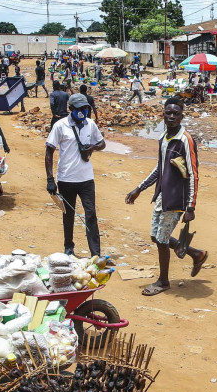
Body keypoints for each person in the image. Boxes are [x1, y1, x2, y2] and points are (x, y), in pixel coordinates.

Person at [125, 98, 208, 296]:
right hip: (163, 195)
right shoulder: (164, 137)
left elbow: (194, 174)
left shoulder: (185, 140)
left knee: (162, 240)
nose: (171, 117)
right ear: (163, 114)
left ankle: (163, 281)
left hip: (177, 199)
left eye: (175, 114)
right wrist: (140, 188)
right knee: (156, 236)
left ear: (182, 116)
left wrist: (191, 207)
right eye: (168, 113)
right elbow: (159, 168)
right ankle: (196, 254)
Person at [45, 93, 106, 257]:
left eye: (85, 108)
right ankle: (69, 247)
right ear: (71, 109)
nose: (83, 111)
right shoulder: (60, 126)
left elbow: (102, 143)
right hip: (66, 179)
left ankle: (95, 253)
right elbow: (49, 151)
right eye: (79, 109)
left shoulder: (91, 124)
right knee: (68, 214)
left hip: (86, 179)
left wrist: (92, 147)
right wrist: (50, 179)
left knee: (91, 214)